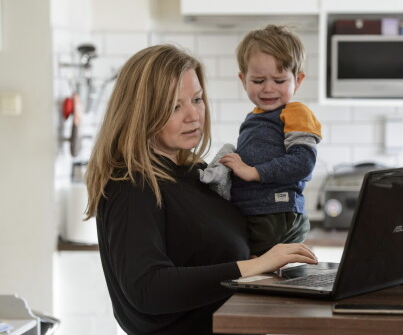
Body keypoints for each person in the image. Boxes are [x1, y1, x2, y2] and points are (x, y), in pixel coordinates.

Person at [84, 44, 318, 335]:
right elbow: (147, 289)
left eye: (197, 99)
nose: (193, 116)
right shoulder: (132, 185)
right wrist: (252, 267)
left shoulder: (196, 173)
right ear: (141, 112)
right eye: (174, 107)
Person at [219, 25, 323, 256]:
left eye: (278, 80)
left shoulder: (296, 112)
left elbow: (303, 161)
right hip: (258, 213)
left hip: (276, 215)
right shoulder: (254, 116)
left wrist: (254, 172)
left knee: (243, 266)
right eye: (257, 81)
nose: (268, 89)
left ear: (298, 80)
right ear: (242, 79)